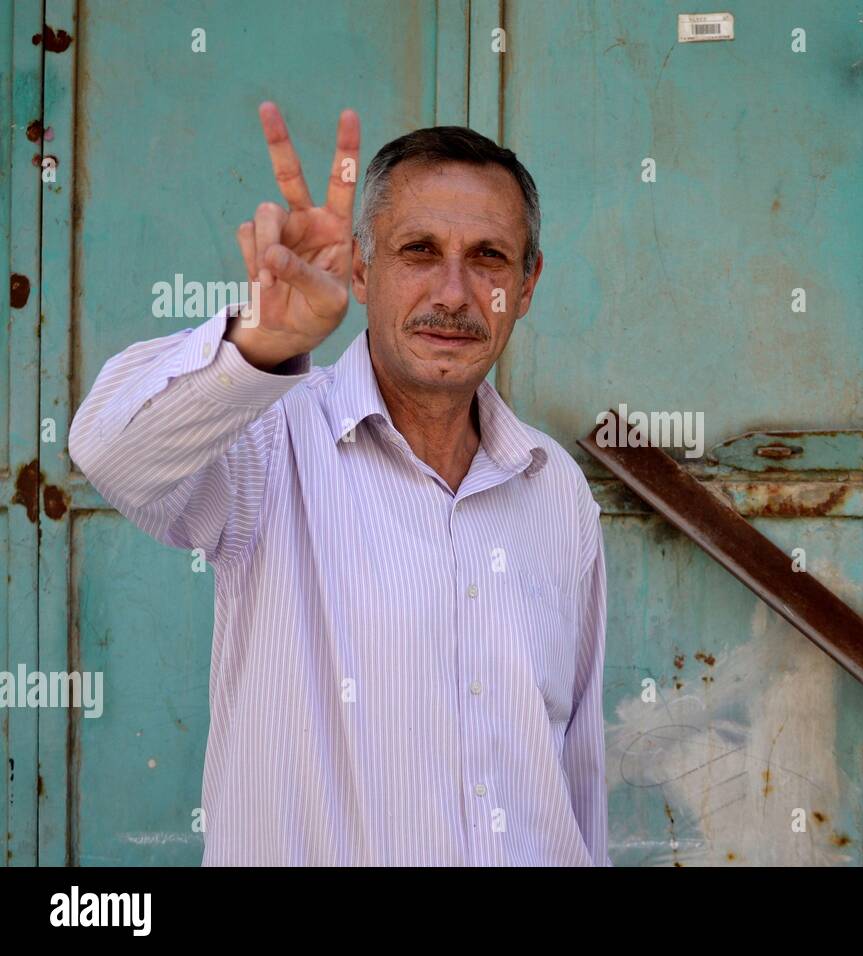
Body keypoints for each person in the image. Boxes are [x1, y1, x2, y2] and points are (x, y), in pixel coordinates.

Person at [68, 102, 609, 866]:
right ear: (361, 268)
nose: (453, 293)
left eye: (488, 257)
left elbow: (576, 770)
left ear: (526, 285)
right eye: (418, 250)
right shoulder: (267, 436)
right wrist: (261, 343)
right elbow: (108, 451)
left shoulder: (556, 490)